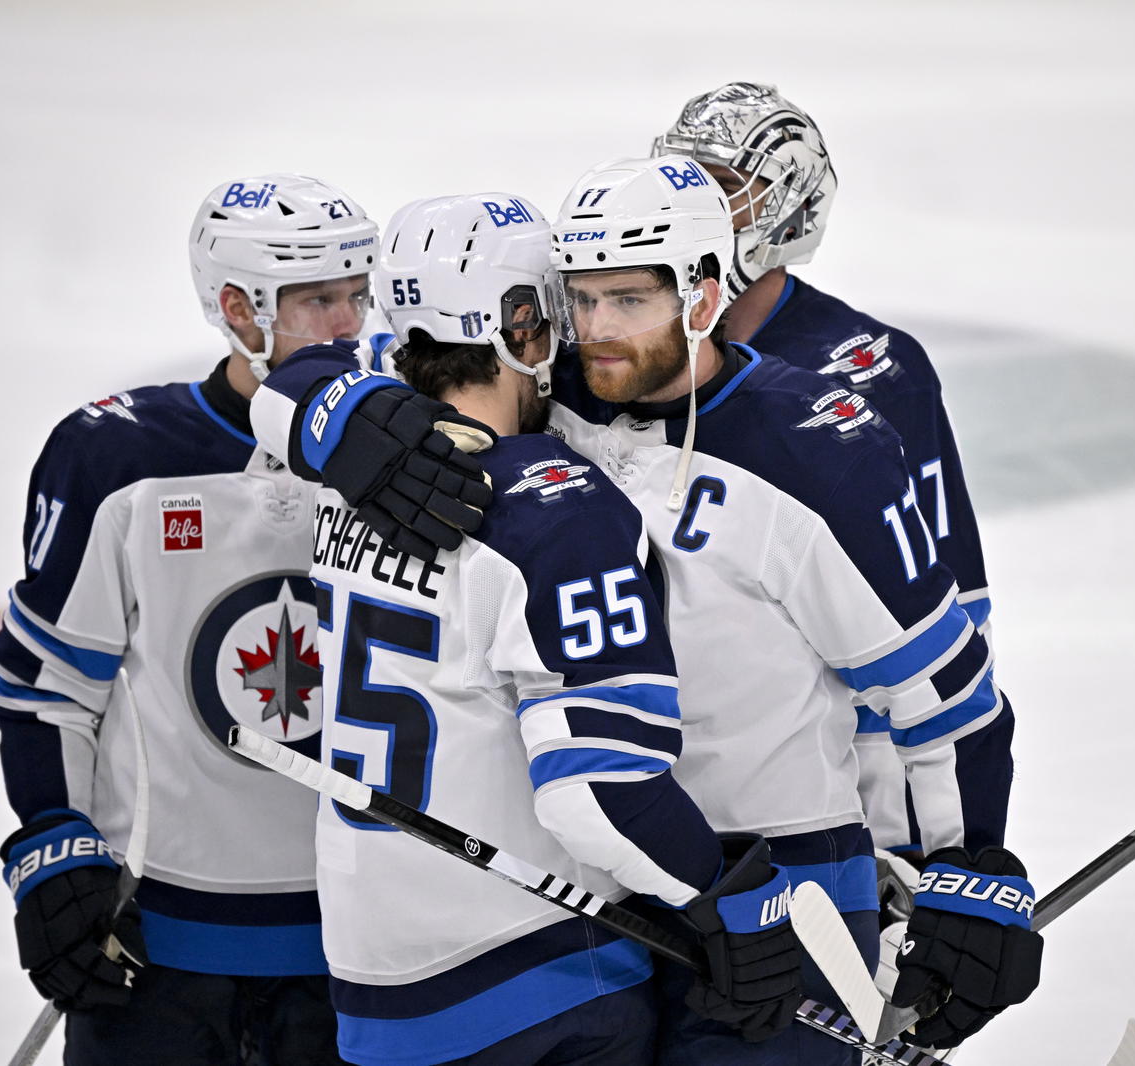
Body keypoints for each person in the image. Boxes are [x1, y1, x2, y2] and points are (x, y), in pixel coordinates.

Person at [253, 192, 803, 1065]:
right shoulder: (557, 508)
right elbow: (598, 791)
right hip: (534, 981)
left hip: (372, 977)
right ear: (523, 329)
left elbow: (292, 393)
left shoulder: (350, 480)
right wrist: (732, 899)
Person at [538, 155, 1040, 1060]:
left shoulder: (821, 450)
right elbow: (359, 366)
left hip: (789, 887)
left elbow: (944, 693)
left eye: (627, 301)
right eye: (580, 300)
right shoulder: (547, 407)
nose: (595, 330)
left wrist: (961, 873)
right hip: (601, 876)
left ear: (702, 294)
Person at [0, 172, 378, 1065]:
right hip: (158, 949)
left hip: (368, 945)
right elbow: (46, 691)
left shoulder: (414, 452)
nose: (349, 326)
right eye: (318, 300)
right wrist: (52, 845)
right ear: (240, 308)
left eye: (358, 294)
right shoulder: (121, 458)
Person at [652, 82, 1019, 875]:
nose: (690, 214)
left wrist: (957, 852)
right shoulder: (620, 356)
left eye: (720, 190)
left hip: (841, 789)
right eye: (681, 183)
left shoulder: (874, 373)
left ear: (787, 209)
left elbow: (953, 621)